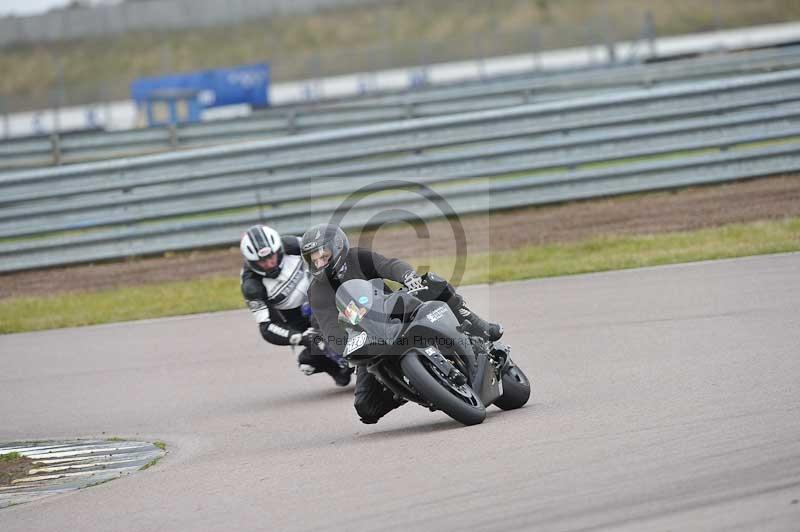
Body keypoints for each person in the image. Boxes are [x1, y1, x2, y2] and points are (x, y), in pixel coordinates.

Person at [300, 223, 503, 424]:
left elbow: (389, 266)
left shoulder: (358, 257)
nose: (320, 263)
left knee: (432, 282)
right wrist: (344, 346)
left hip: (394, 310)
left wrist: (408, 277)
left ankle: (478, 326)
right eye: (314, 260)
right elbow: (328, 327)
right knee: (366, 408)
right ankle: (417, 387)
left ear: (337, 248)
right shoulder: (316, 291)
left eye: (324, 256)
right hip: (368, 338)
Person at [240, 224, 353, 386]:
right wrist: (299, 337)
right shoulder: (252, 286)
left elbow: (328, 254)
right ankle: (340, 367)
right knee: (307, 363)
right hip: (299, 321)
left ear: (278, 249)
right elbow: (266, 326)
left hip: (322, 295)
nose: (270, 263)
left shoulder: (293, 245)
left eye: (271, 256)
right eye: (262, 262)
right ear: (251, 262)